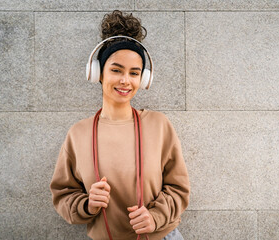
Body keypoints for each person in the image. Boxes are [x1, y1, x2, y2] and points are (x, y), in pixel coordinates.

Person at [50, 10, 190, 240]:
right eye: (116, 70)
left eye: (134, 73)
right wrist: (87, 205)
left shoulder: (158, 125)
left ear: (143, 80)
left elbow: (179, 188)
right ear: (98, 73)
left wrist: (155, 217)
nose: (125, 80)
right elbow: (63, 193)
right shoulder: (79, 134)